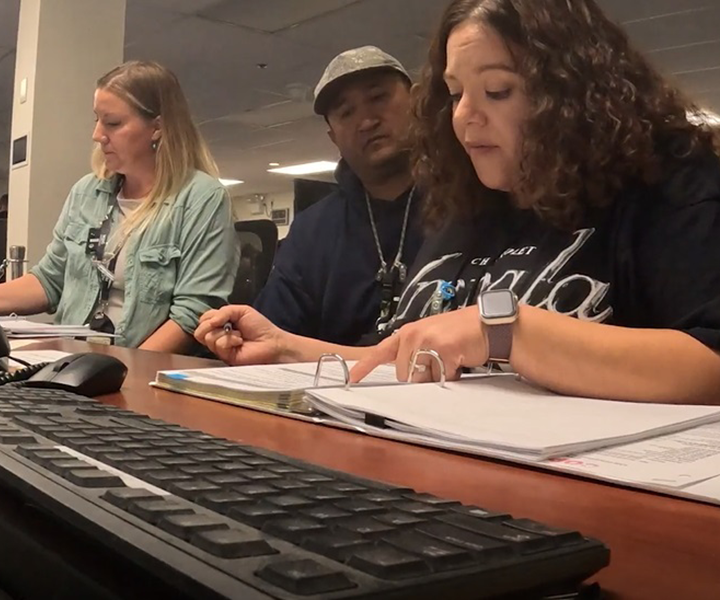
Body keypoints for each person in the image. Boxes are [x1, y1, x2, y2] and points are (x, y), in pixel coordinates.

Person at [196, 0, 720, 405]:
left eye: (496, 91)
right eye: (454, 93)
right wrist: (287, 347)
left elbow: (710, 361)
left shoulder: (669, 183)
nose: (465, 115)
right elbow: (415, 356)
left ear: (572, 93)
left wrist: (507, 330)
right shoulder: (466, 208)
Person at [0, 60, 239, 352]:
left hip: (141, 373)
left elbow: (193, 313)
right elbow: (50, 281)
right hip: (72, 362)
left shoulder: (202, 198)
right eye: (97, 120)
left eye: (112, 123)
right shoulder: (87, 192)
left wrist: (125, 370)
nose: (97, 134)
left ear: (157, 128)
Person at [252, 46, 424, 345]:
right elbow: (272, 337)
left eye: (378, 98)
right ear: (333, 137)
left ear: (417, 102)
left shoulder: (472, 202)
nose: (367, 121)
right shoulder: (312, 232)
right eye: (346, 112)